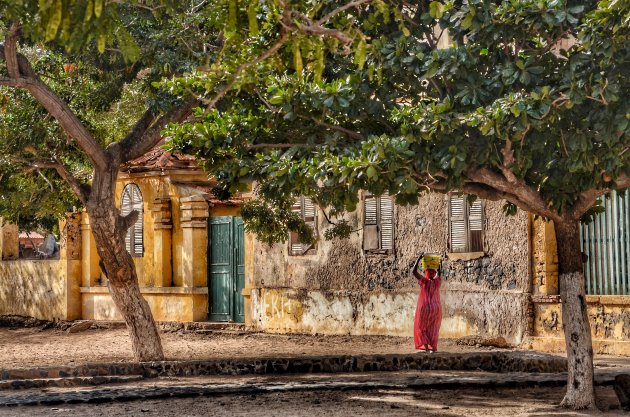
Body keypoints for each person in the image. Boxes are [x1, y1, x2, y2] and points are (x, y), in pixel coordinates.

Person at [412, 254, 442, 352]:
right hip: (435, 308)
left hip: (424, 308)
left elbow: (414, 271)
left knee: (421, 327)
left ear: (426, 273)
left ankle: (425, 348)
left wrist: (418, 258)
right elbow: (440, 273)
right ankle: (433, 348)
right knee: (433, 328)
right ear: (434, 273)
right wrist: (439, 263)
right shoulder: (437, 282)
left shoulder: (424, 282)